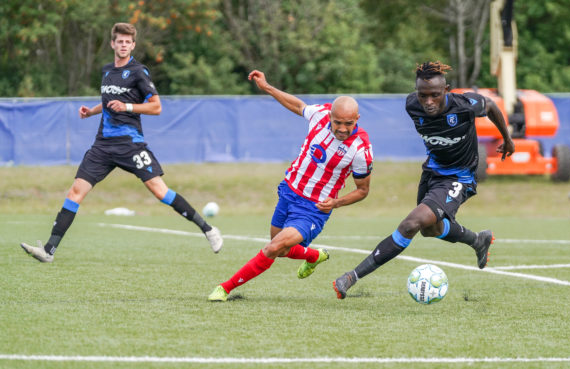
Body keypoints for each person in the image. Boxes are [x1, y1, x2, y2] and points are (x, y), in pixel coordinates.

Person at [20, 23, 223, 263]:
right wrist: (92, 111)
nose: (124, 45)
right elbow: (109, 100)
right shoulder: (107, 71)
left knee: (160, 191)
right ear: (112, 44)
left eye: (128, 42)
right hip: (103, 145)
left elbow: (156, 107)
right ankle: (49, 250)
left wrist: (127, 107)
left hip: (130, 144)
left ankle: (208, 229)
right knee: (75, 191)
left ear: (133, 45)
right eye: (120, 41)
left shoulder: (139, 71)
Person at [332, 61, 515, 299]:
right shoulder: (412, 105)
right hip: (432, 172)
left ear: (446, 91)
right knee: (431, 229)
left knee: (411, 224)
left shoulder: (464, 106)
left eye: (435, 96)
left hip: (460, 176)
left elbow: (490, 106)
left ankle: (351, 277)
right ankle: (477, 240)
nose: (428, 102)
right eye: (423, 95)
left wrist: (507, 138)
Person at [207, 69, 373, 302]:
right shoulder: (321, 114)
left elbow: (363, 190)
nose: (342, 129)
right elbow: (298, 106)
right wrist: (267, 87)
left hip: (313, 208)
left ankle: (225, 288)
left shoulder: (361, 149)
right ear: (330, 116)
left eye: (348, 123)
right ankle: (314, 256)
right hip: (289, 192)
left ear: (357, 119)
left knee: (273, 248)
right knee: (282, 249)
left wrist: (336, 203)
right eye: (337, 123)